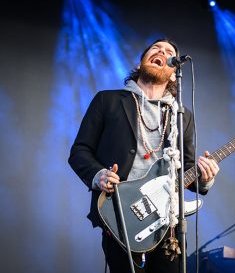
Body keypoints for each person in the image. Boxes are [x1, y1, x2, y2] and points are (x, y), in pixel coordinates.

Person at [68, 38, 219, 273]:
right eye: (156, 48)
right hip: (121, 214)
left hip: (168, 223)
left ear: (173, 74)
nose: (162, 51)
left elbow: (187, 169)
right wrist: (98, 175)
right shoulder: (108, 100)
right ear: (140, 65)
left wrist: (206, 177)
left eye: (169, 52)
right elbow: (79, 151)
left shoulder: (181, 115)